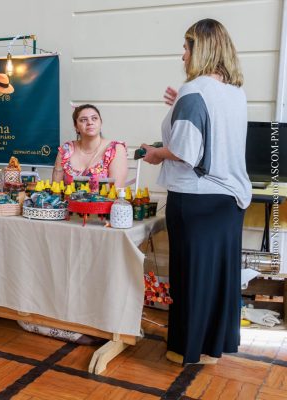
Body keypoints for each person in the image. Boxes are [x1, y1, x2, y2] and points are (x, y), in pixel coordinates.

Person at [142, 19, 252, 365]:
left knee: (191, 276)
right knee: (218, 278)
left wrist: (155, 153)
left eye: (186, 48)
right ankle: (211, 349)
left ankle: (186, 350)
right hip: (230, 199)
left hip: (196, 198)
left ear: (200, 49)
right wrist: (181, 105)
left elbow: (186, 152)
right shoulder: (235, 93)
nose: (183, 55)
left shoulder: (193, 91)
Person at [52, 104, 127, 188]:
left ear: (100, 123)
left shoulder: (115, 149)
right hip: (67, 197)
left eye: (94, 118)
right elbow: (55, 188)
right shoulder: (66, 149)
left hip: (105, 197)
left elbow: (117, 189)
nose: (90, 123)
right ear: (76, 126)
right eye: (83, 120)